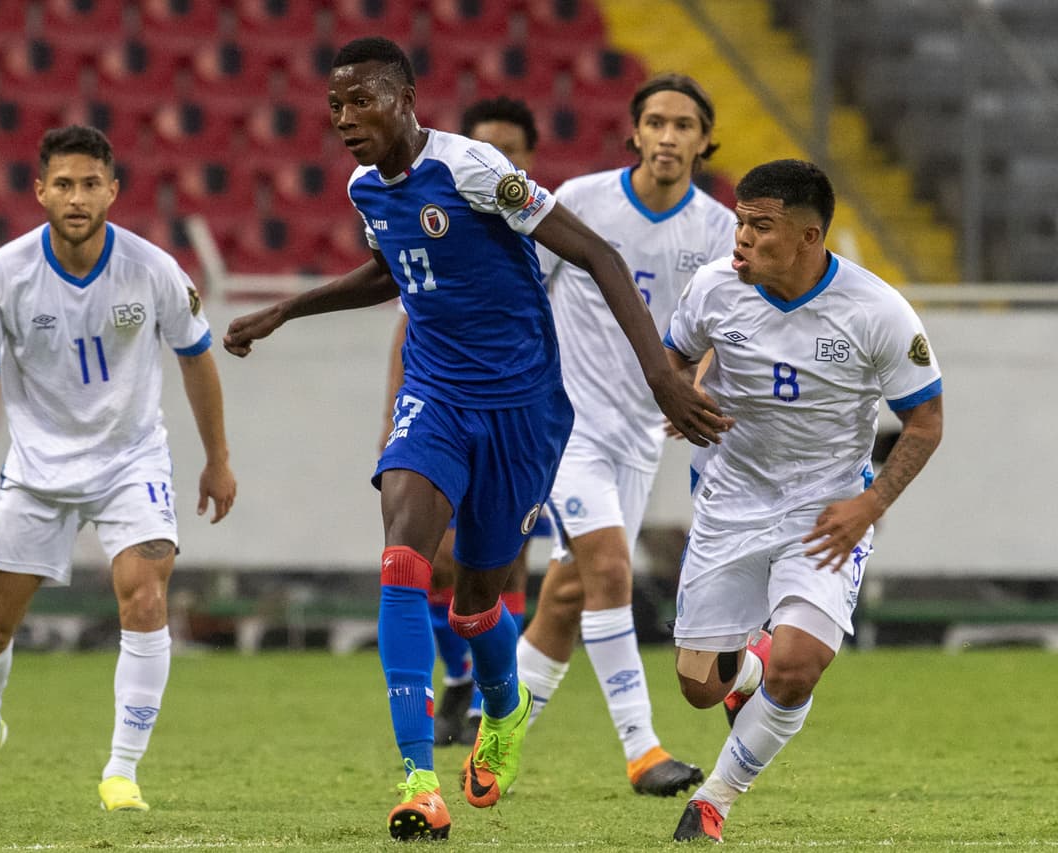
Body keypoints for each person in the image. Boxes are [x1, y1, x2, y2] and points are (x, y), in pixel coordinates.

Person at [223, 37, 728, 842]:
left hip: (524, 409)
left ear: (407, 97)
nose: (347, 121)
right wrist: (288, 309)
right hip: (436, 394)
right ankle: (420, 777)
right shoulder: (365, 187)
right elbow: (394, 270)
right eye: (336, 108)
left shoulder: (475, 170)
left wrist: (665, 376)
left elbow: (595, 253)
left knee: (475, 604)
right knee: (403, 555)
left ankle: (506, 704)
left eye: (364, 101)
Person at [0, 125, 237, 813]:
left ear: (113, 191)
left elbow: (196, 355)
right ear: (40, 191)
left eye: (91, 183)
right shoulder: (5, 273)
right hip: (36, 471)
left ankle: (122, 769)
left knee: (144, 595)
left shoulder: (153, 270)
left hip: (131, 460)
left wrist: (218, 458)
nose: (77, 196)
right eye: (63, 183)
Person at [663, 159, 942, 843]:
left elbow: (927, 423)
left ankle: (715, 800)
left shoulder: (876, 312)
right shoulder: (714, 290)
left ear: (810, 236)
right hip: (730, 500)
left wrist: (868, 506)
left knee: (799, 665)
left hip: (826, 511)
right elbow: (671, 360)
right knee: (699, 685)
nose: (742, 238)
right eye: (740, 221)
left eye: (761, 226)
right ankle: (744, 668)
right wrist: (681, 394)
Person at [516, 73, 734, 798]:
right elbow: (526, 294)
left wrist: (695, 382)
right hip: (567, 425)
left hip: (643, 436)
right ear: (634, 133)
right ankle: (643, 750)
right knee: (610, 569)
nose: (668, 136)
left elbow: (721, 329)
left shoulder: (717, 231)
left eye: (684, 125)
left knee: (568, 594)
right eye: (656, 122)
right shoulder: (581, 201)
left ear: (705, 141)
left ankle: (496, 742)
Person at [380, 95, 542, 748]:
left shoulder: (541, 224)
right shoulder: (441, 212)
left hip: (529, 413)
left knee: (503, 571)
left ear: (528, 157)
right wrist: (394, 417)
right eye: (485, 145)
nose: (496, 157)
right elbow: (405, 320)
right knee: (436, 561)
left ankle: (486, 696)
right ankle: (461, 685)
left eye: (510, 147)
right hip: (447, 404)